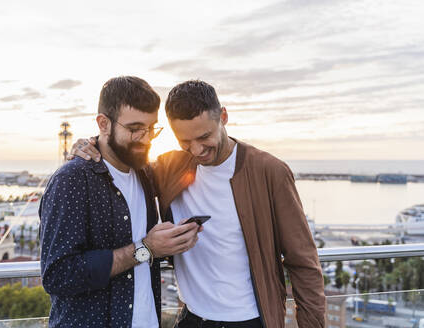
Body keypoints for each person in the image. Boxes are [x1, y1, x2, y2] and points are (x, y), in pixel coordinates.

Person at [71, 80, 326, 328]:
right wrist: (91, 143)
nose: (196, 150)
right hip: (191, 318)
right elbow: (121, 155)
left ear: (223, 117)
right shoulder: (170, 168)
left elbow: (303, 261)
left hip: (249, 321)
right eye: (185, 142)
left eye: (204, 137)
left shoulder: (269, 172)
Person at [39, 76, 201, 328]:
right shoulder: (72, 180)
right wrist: (146, 248)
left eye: (151, 128)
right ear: (103, 123)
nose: (145, 138)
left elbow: (202, 151)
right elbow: (58, 275)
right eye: (135, 128)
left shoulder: (145, 173)